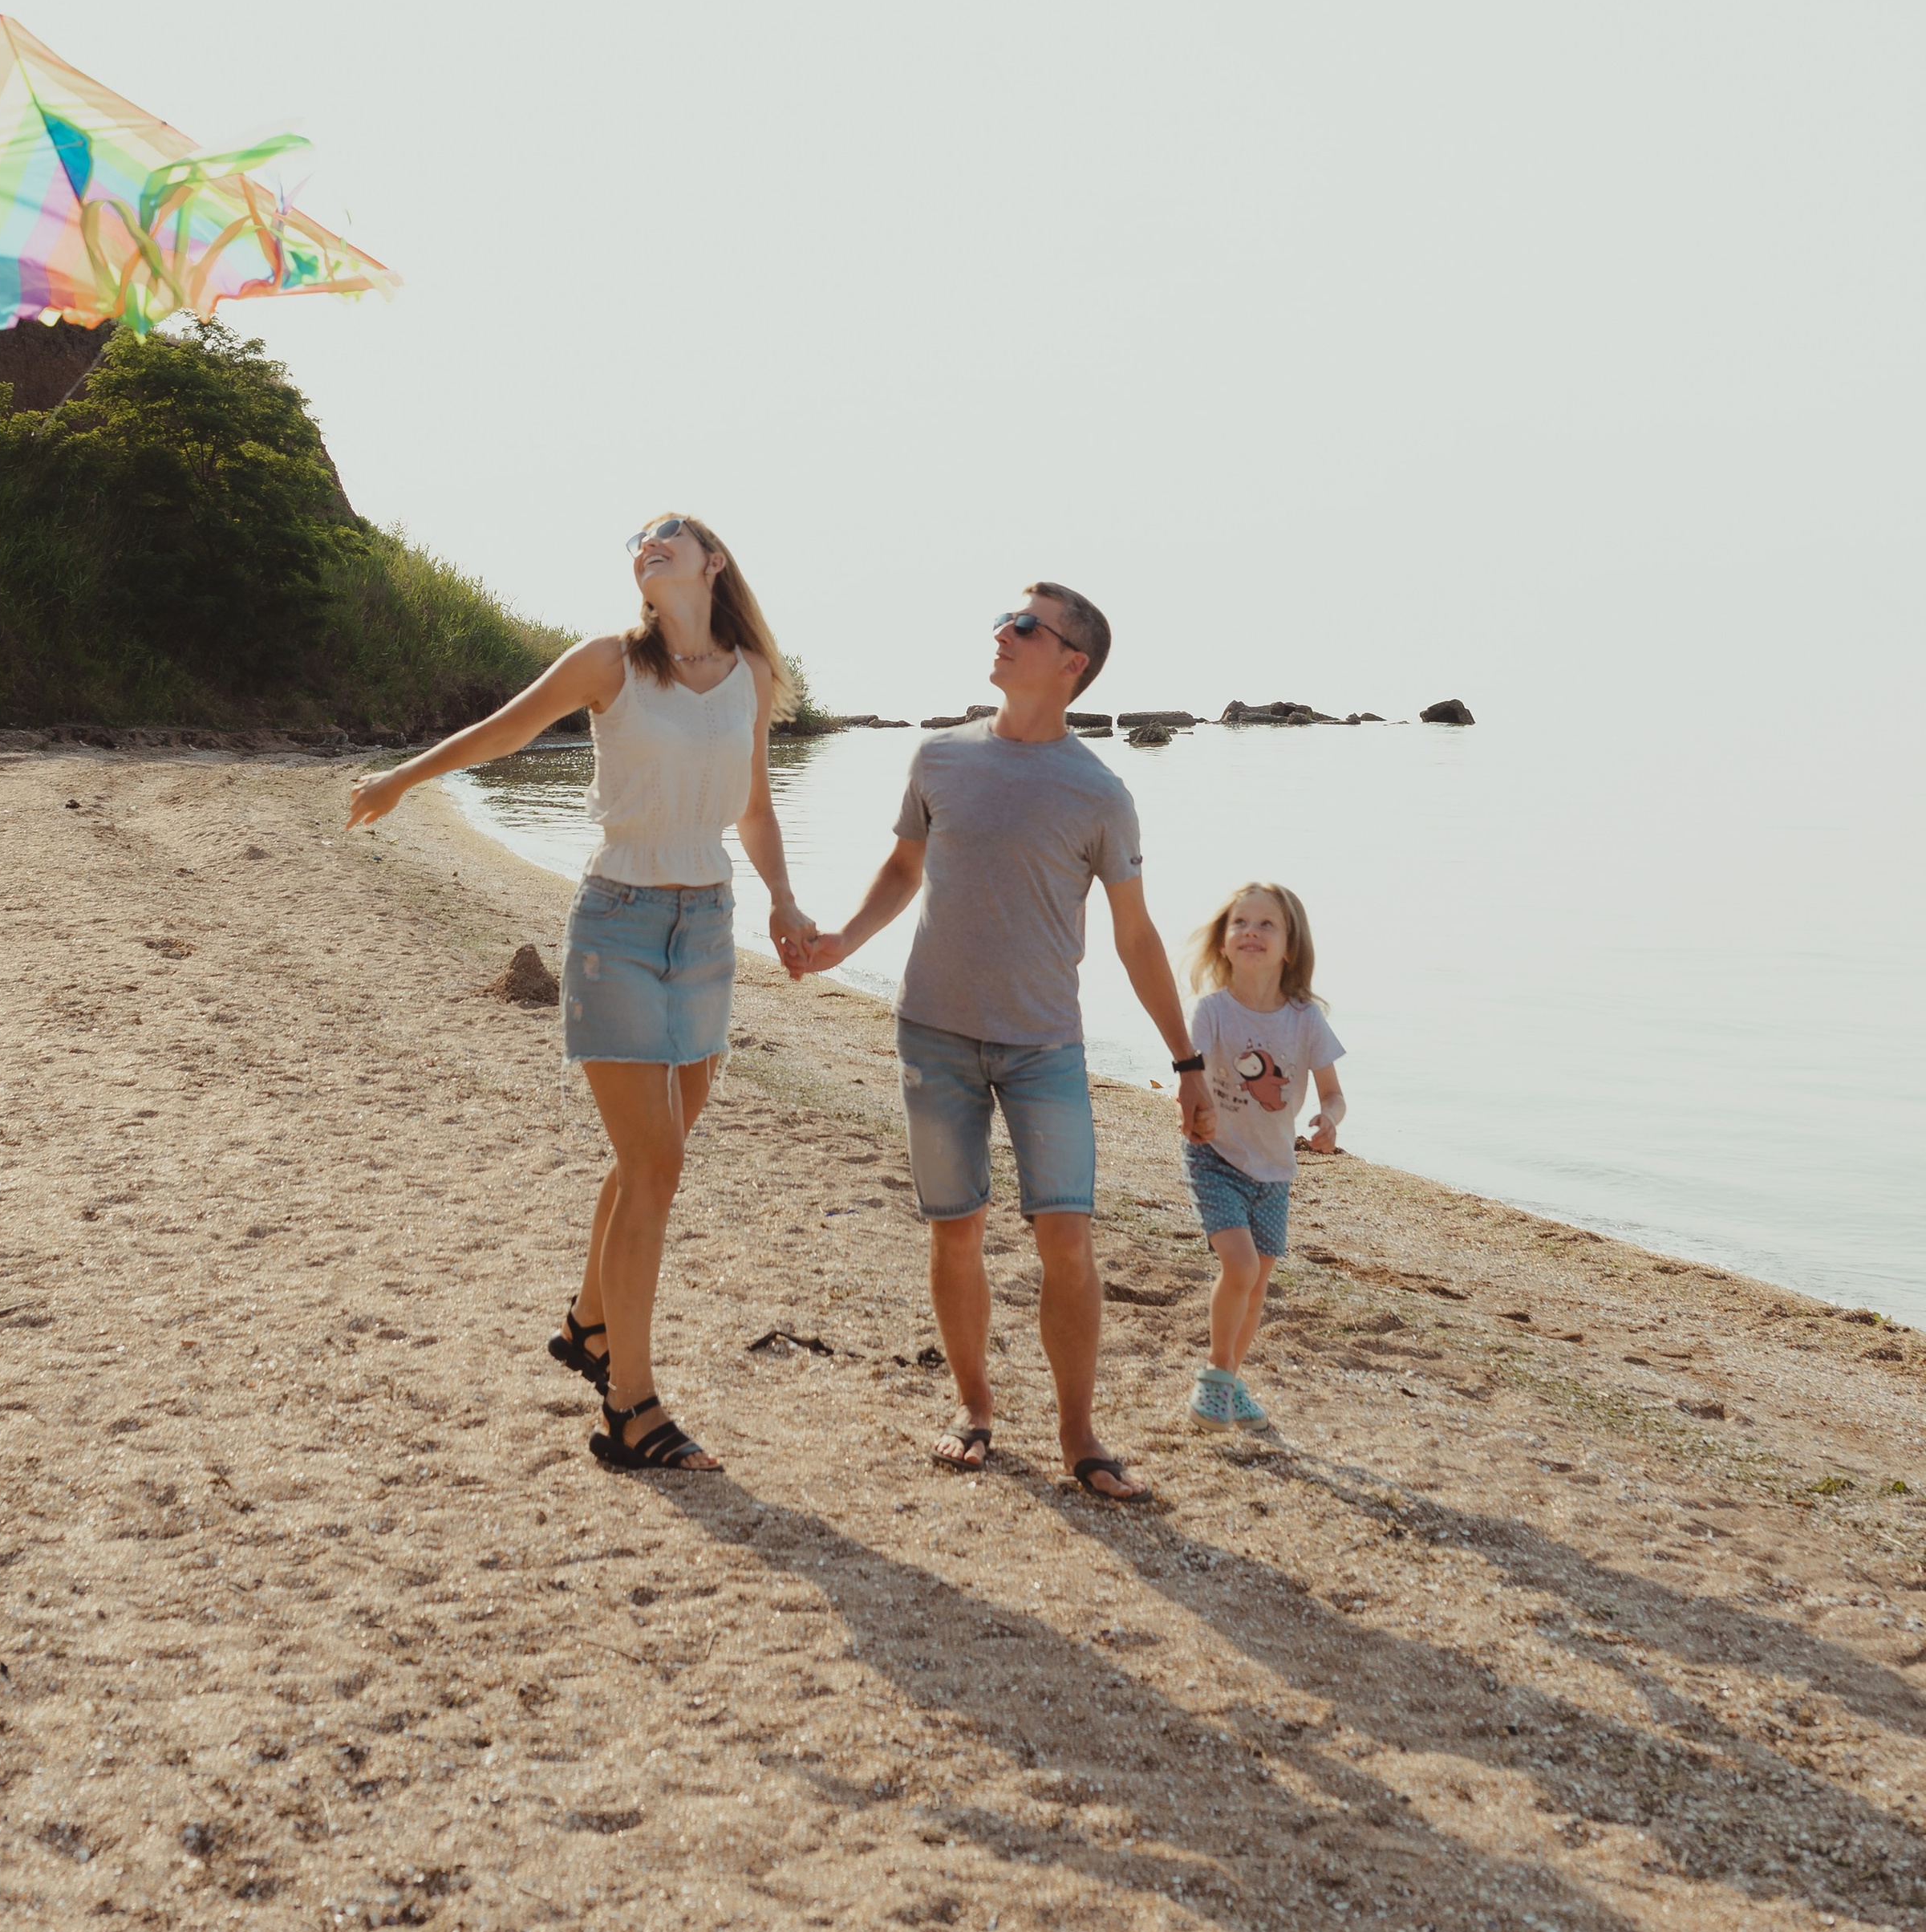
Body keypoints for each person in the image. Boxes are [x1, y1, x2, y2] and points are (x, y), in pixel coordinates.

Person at [345, 510, 817, 1475]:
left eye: (669, 535)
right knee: (656, 1167)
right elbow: (506, 730)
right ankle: (629, 1406)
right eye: (639, 540)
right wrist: (403, 777)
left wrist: (783, 898)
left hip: (710, 927)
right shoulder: (611, 662)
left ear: (713, 561)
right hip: (619, 923)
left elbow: (757, 805)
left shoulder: (752, 676)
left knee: (661, 1152)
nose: (648, 544)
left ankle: (589, 1322)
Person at [801, 585, 1212, 1504]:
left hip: (1044, 1049)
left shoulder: (1100, 792)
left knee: (1065, 1238)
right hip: (933, 1031)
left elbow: (1136, 937)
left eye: (1025, 625)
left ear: (1073, 662)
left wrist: (1187, 1063)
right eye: (1005, 617)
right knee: (957, 1235)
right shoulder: (939, 755)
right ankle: (975, 1409)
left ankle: (1078, 1435)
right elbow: (905, 866)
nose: (1002, 632)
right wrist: (838, 944)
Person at [1178, 882, 1346, 1431]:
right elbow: (1191, 1076)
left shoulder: (1305, 1020)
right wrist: (1194, 1110)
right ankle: (1215, 1378)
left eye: (1267, 924)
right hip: (1217, 1157)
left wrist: (1330, 1119)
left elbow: (1333, 1092)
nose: (1251, 931)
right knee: (1241, 1266)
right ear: (1224, 942)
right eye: (1240, 923)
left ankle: (1230, 1377)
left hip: (1275, 1171)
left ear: (1290, 946)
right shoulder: (1212, 1012)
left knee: (1257, 1286)